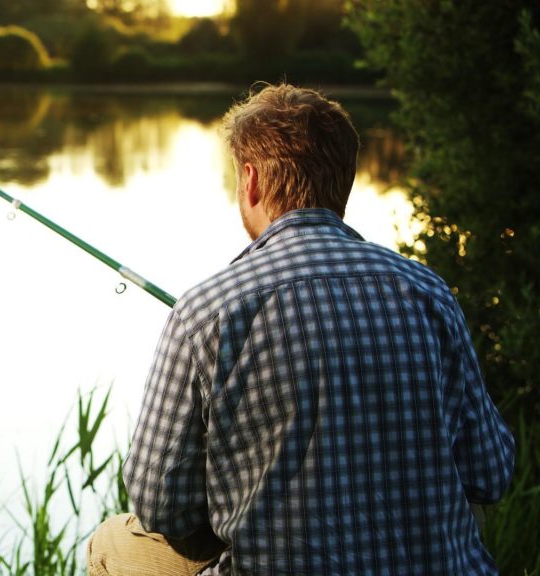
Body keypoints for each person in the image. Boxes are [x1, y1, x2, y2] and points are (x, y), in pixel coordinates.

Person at [87, 84, 516, 575]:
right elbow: (491, 472)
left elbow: (161, 503)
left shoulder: (206, 310)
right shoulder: (429, 291)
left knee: (111, 543)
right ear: (345, 182)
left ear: (250, 181)